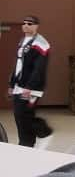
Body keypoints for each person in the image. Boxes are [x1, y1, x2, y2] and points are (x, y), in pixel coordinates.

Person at [7, 15, 53, 148]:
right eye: (25, 23)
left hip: (31, 87)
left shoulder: (41, 43)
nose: (26, 26)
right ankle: (26, 142)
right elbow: (18, 65)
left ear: (36, 26)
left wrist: (29, 87)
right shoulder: (23, 41)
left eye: (30, 24)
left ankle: (39, 135)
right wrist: (12, 84)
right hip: (19, 86)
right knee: (19, 115)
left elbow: (39, 68)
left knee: (24, 114)